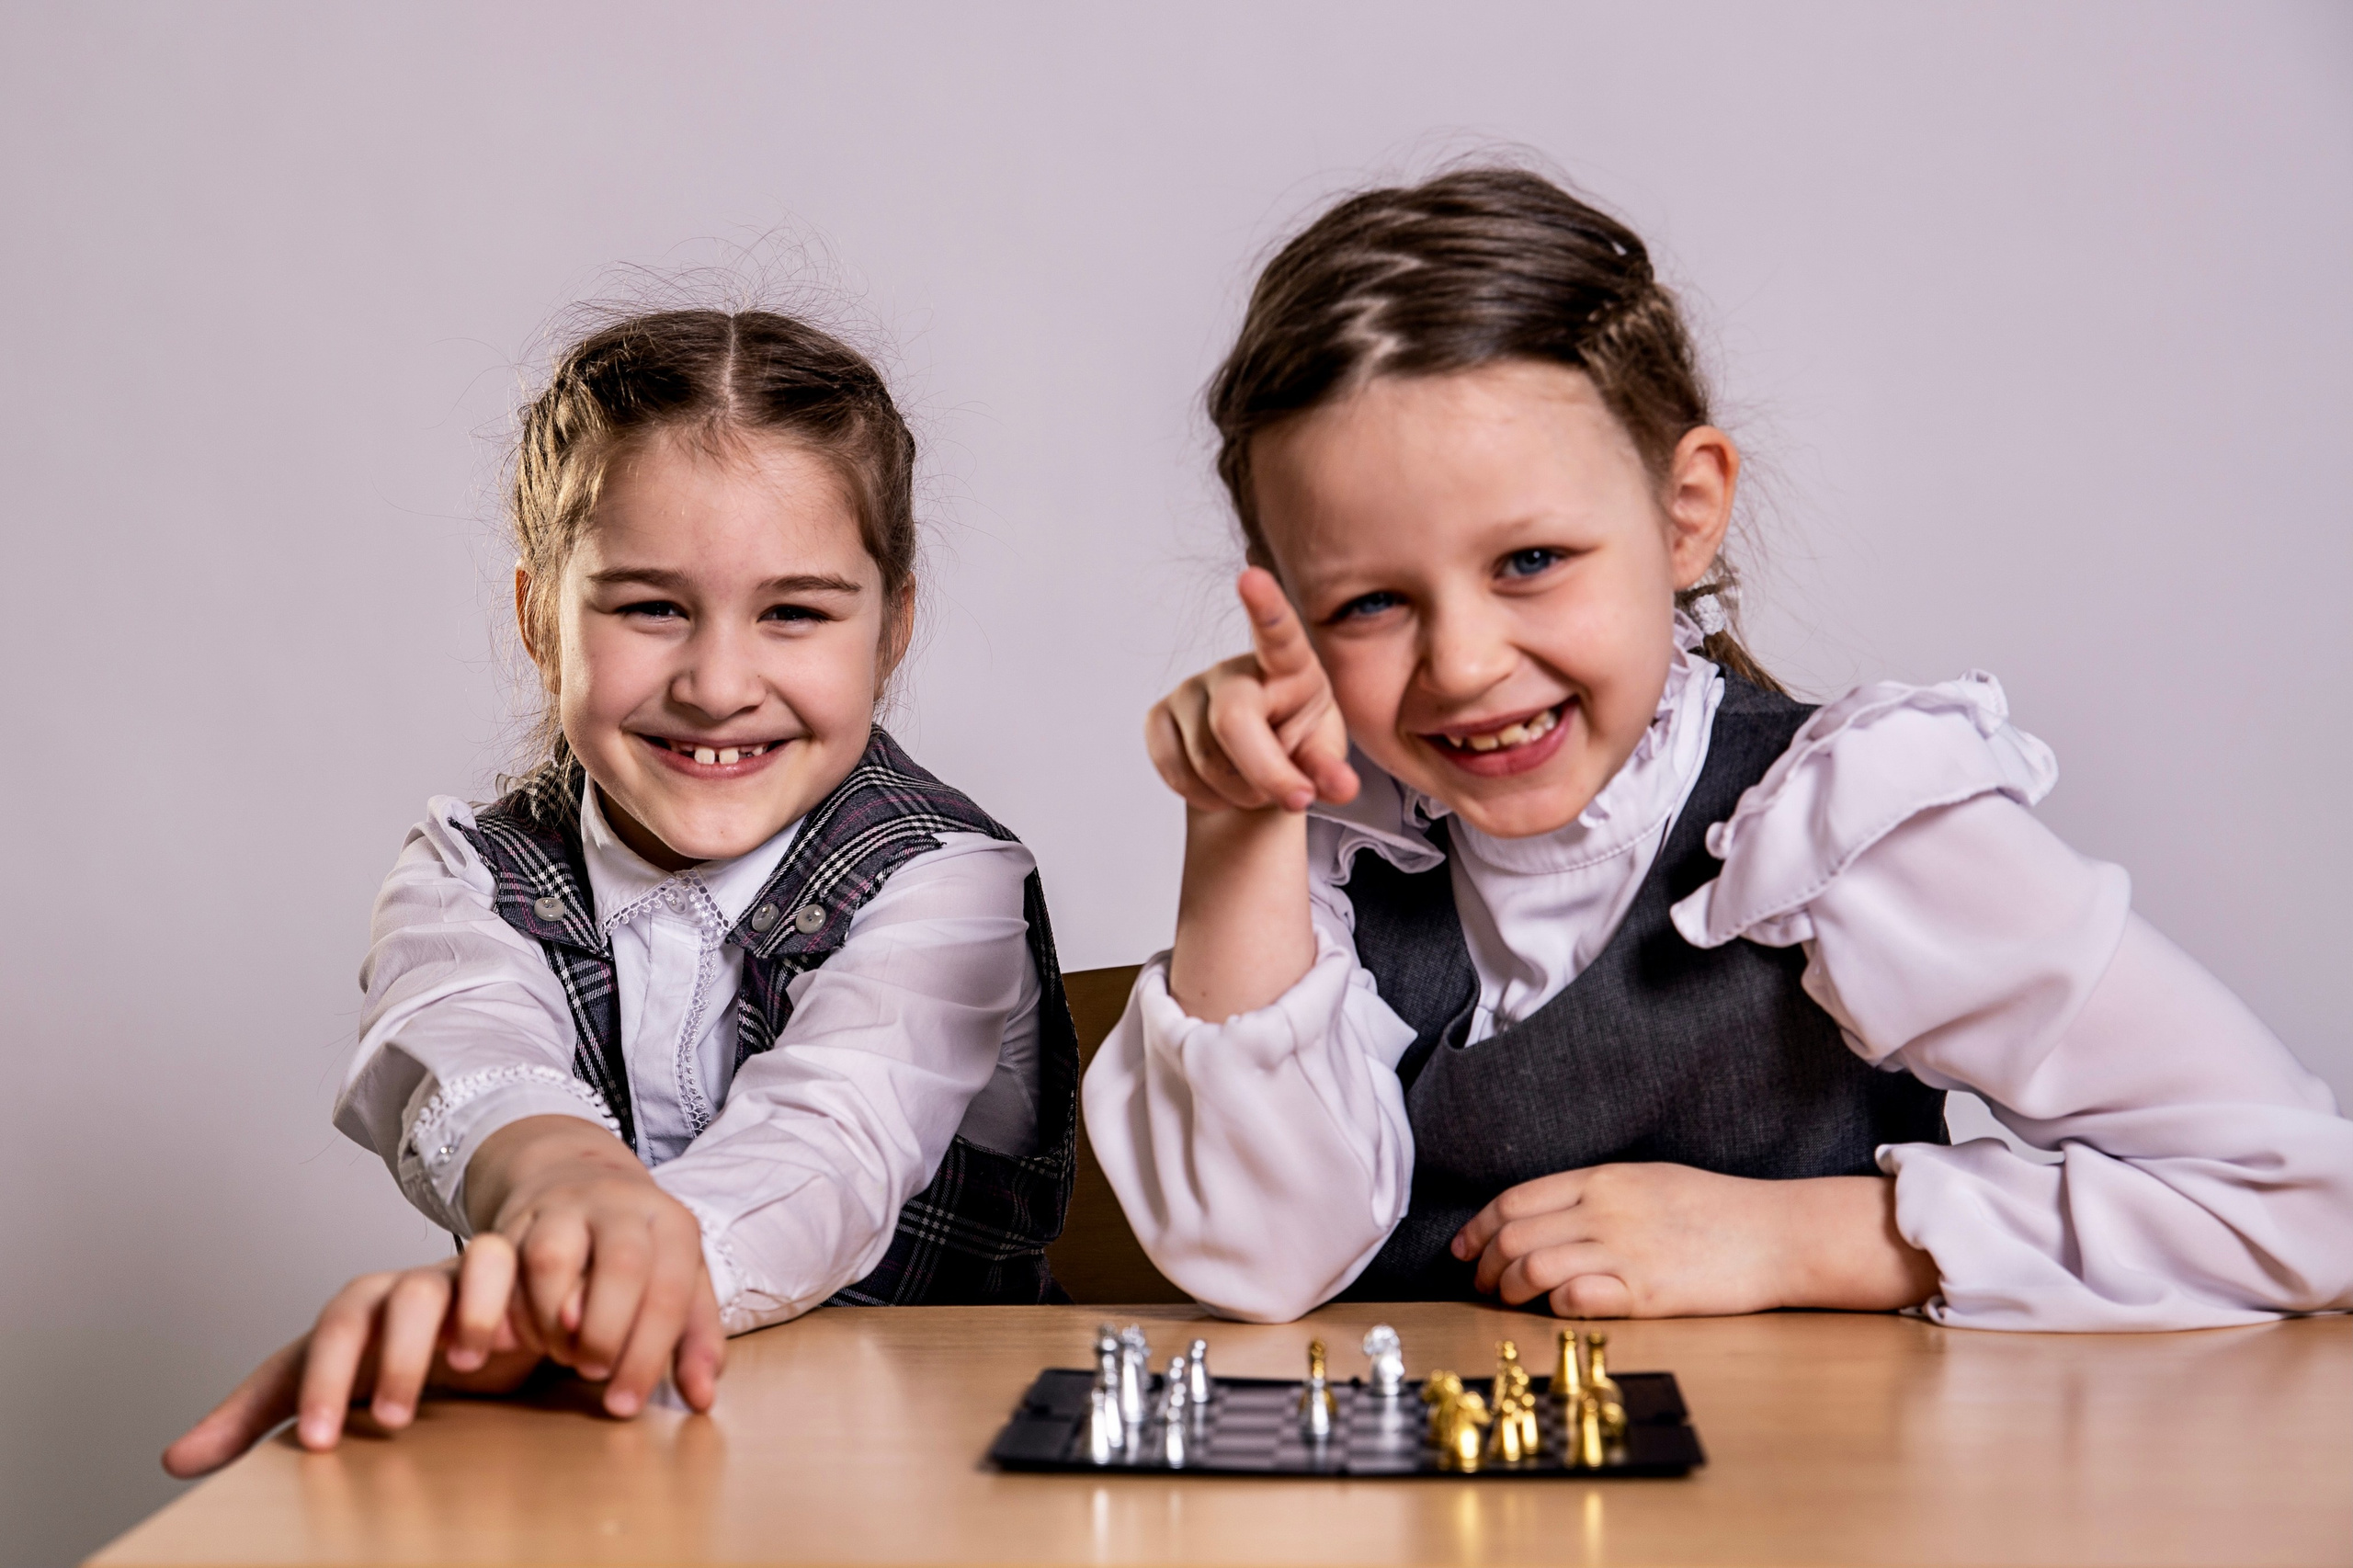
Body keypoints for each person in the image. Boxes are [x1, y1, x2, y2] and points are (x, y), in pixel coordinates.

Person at [1083, 166, 2353, 1330]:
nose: (1463, 664)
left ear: (1685, 515)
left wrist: (1802, 1240)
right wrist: (1238, 825)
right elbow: (1262, 1262)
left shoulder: (1842, 830)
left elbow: (2303, 1201)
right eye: (1367, 603)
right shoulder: (1338, 864)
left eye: (1531, 560)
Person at [165, 309, 1077, 1477]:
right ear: (539, 616)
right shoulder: (467, 880)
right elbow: (476, 1071)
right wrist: (561, 1189)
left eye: (794, 611)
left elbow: (827, 1148)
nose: (716, 683)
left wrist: (558, 1291)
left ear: (891, 626)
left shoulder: (944, 884)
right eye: (650, 605)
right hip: (592, 1478)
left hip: (924, 1483)